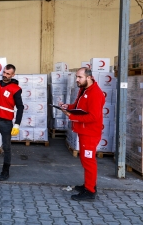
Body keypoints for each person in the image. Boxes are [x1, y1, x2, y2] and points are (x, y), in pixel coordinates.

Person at [59, 67, 105, 201]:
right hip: (84, 132)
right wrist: (68, 107)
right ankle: (88, 184)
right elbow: (78, 107)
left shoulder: (95, 93)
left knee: (89, 162)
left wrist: (72, 117)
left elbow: (93, 117)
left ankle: (90, 191)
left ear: (89, 77)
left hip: (90, 133)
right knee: (85, 160)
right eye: (76, 77)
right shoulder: (84, 90)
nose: (77, 80)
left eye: (80, 77)